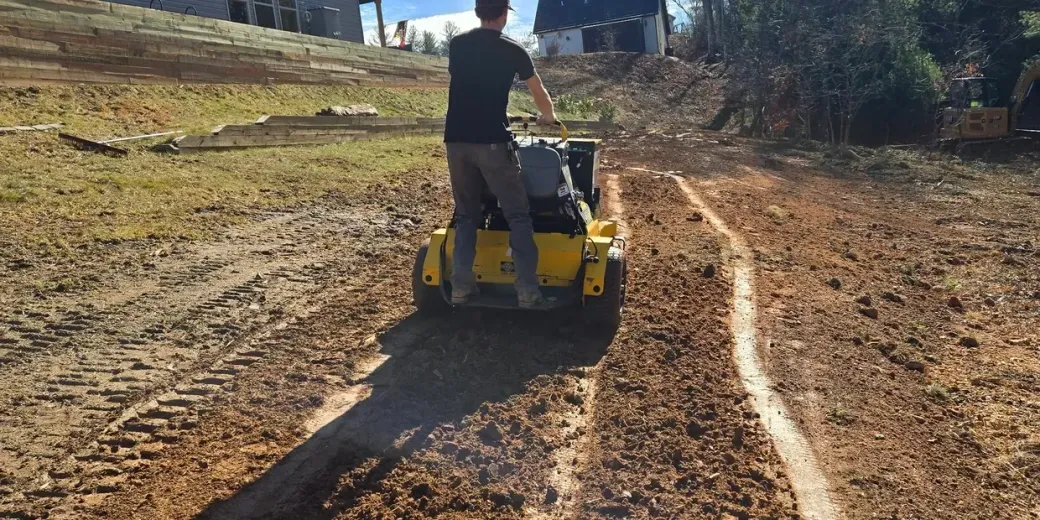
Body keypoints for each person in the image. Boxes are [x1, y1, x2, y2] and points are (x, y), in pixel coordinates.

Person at [443, 0, 557, 309]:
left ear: (478, 12)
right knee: (517, 215)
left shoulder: (457, 44)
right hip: (493, 142)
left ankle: (461, 287)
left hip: (456, 142)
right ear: (504, 13)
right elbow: (538, 90)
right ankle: (528, 291)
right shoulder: (513, 49)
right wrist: (548, 116)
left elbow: (471, 85)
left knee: (467, 215)